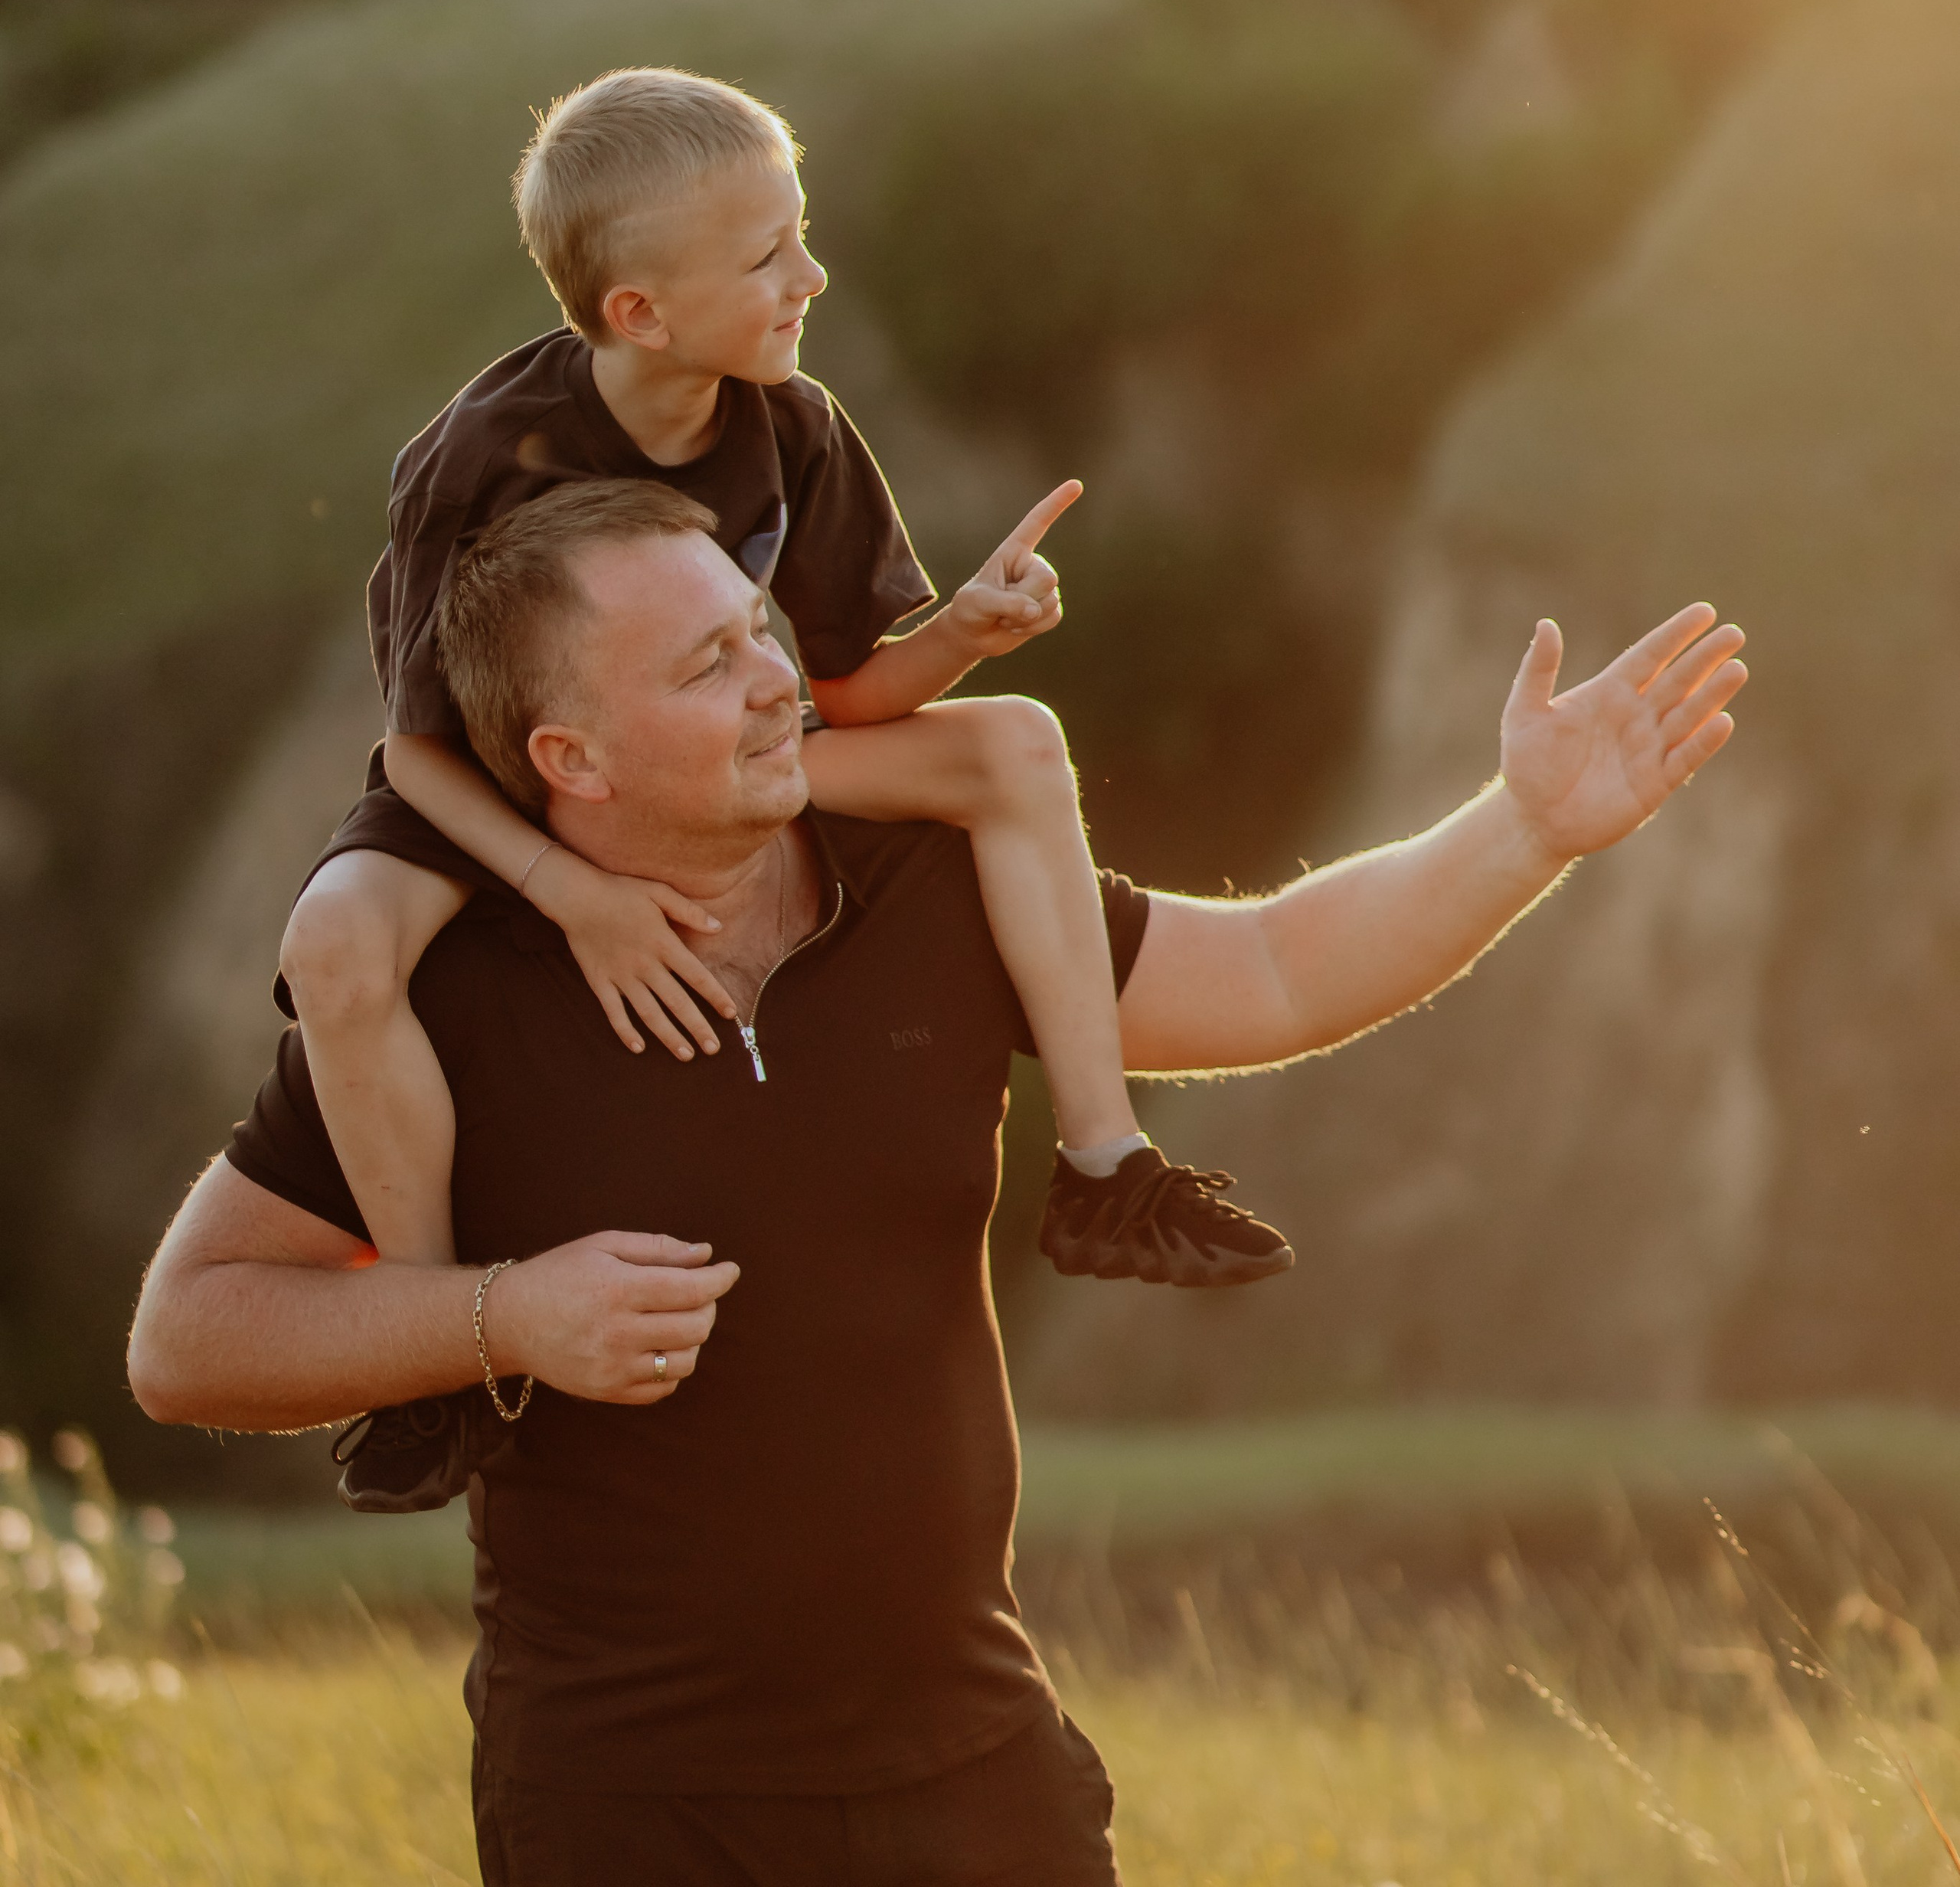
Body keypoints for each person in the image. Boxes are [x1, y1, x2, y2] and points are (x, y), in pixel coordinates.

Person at [129, 476, 1746, 1885]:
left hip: (974, 1770)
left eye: (758, 627)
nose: (779, 679)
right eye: (706, 665)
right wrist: (504, 1315)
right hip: (626, 1808)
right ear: (574, 757)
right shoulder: (450, 1001)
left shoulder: (941, 878)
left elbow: (1270, 973)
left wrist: (1524, 829)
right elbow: (189, 1337)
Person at [279, 67, 1290, 1513]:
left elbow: (845, 693)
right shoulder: (482, 455)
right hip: (503, 787)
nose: (810, 278)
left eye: (800, 237)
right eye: (768, 258)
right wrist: (577, 896)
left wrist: (964, 635)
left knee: (1015, 742)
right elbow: (416, 754)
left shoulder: (793, 426)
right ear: (641, 312)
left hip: (711, 751)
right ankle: (434, 1355)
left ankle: (1104, 1165)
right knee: (335, 940)